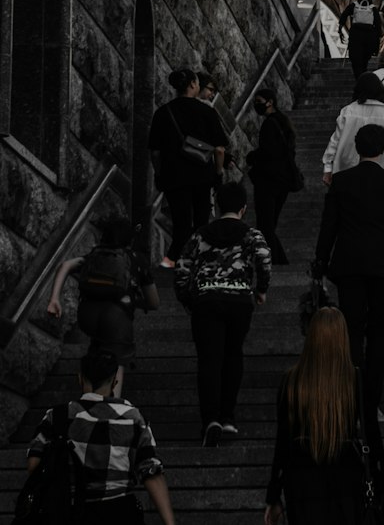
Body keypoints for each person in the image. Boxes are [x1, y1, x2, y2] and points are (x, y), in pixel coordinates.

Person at [313, 123, 384, 440]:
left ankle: (355, 400)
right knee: (379, 333)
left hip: (349, 265)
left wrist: (319, 265)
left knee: (353, 332)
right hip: (383, 266)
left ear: (357, 149)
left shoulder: (341, 182)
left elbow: (328, 227)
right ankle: (371, 403)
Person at [25, 345, 177, 524]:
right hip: (119, 512)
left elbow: (34, 464)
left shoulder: (56, 416)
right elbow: (150, 472)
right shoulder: (132, 417)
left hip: (69, 511)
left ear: (80, 378)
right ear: (114, 382)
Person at [173, 179, 271, 445]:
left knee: (209, 360)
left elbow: (182, 268)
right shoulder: (252, 235)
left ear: (215, 206)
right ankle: (228, 417)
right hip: (239, 300)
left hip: (206, 301)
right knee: (233, 355)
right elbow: (263, 258)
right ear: (244, 208)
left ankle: (211, 419)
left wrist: (187, 297)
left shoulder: (200, 235)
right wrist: (261, 289)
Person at [264, 306, 366, 525]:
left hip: (302, 480)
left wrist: (273, 496)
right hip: (346, 478)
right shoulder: (354, 379)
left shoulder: (291, 381)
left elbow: (282, 443)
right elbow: (370, 436)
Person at [46, 217, 158, 380]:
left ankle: (88, 398)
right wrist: (133, 299)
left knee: (96, 353)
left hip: (86, 316)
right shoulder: (136, 259)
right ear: (130, 239)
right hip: (116, 318)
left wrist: (54, 299)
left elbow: (66, 265)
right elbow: (154, 303)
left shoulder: (95, 255)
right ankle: (112, 402)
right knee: (116, 361)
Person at [148, 66, 228, 267]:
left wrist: (160, 174)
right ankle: (198, 262)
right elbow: (219, 149)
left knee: (181, 223)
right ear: (193, 84)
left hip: (174, 177)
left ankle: (175, 262)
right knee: (201, 221)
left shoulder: (163, 113)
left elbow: (155, 152)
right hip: (202, 175)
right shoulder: (206, 111)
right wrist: (218, 173)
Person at [247, 86, 298, 265]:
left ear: (270, 102)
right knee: (269, 223)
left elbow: (268, 152)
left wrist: (252, 157)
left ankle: (275, 260)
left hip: (269, 181)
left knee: (265, 223)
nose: (256, 105)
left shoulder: (270, 124)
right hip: (282, 181)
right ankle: (279, 259)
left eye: (259, 102)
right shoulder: (283, 122)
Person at [322, 71, 384, 182]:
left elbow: (335, 140)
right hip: (378, 166)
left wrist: (328, 167)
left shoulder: (347, 110)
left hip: (346, 166)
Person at [339, 0, 381, 81]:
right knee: (364, 60)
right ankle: (363, 76)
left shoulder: (354, 6)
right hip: (369, 37)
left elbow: (344, 14)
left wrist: (340, 28)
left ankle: (359, 78)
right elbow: (378, 24)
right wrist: (377, 40)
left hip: (356, 36)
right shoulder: (373, 8)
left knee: (356, 60)